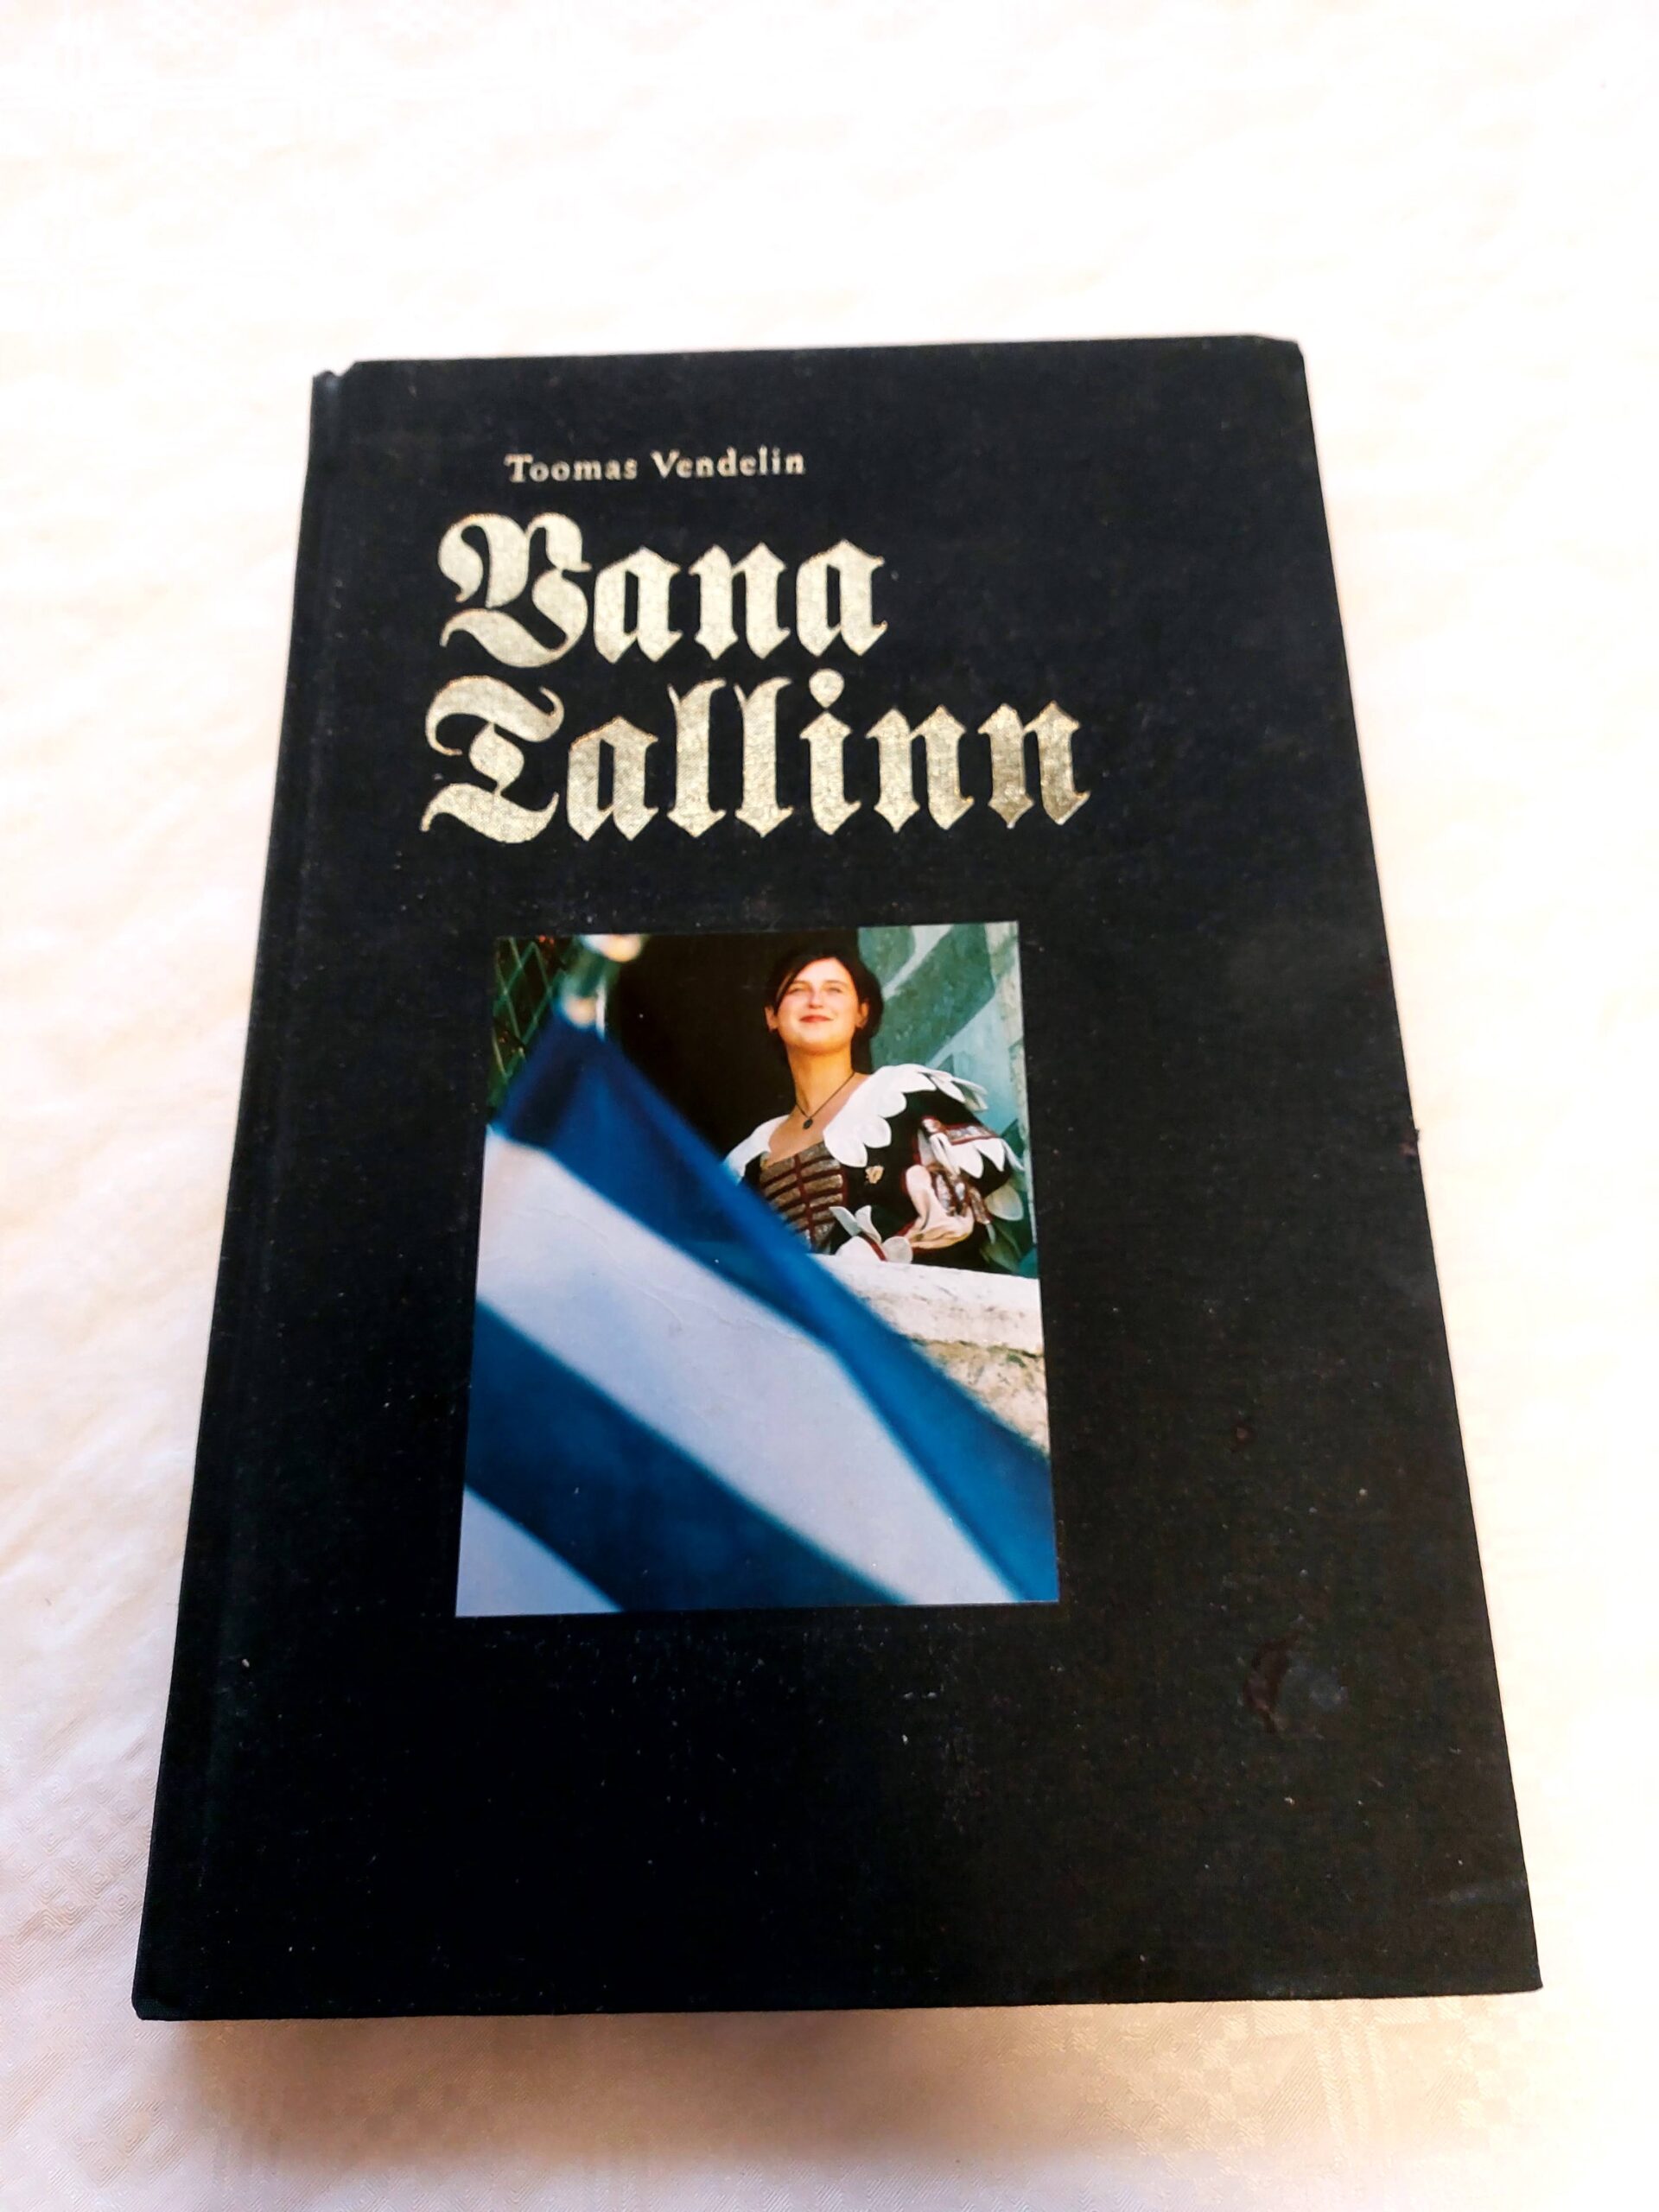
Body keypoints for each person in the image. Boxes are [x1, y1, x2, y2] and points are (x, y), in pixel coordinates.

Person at [723, 944, 1026, 1270]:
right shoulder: (747, 1160)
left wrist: (878, 1250)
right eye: (798, 990)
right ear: (772, 1016)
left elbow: (969, 1197)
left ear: (861, 1013)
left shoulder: (904, 1094)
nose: (816, 1001)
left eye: (834, 989)